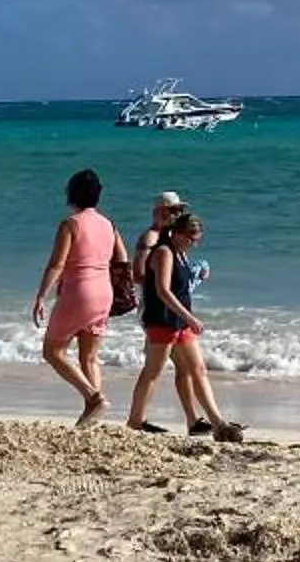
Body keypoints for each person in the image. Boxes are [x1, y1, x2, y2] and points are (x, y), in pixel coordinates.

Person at [128, 211, 241, 441]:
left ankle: (218, 423)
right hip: (162, 320)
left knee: (197, 369)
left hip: (181, 321)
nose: (194, 244)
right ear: (177, 234)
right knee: (153, 372)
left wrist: (200, 271)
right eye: (191, 239)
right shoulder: (163, 252)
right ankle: (134, 422)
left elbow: (183, 284)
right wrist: (189, 318)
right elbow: (162, 291)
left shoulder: (180, 254)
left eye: (197, 240)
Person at [31, 166, 126, 428]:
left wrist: (41, 296)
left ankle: (94, 398)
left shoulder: (70, 224)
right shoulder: (110, 224)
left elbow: (56, 264)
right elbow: (122, 260)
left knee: (52, 351)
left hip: (79, 293)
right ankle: (93, 414)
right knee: (89, 357)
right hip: (103, 292)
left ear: (71, 194)